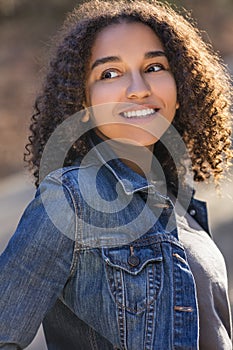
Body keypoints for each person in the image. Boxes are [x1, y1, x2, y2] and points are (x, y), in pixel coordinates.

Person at [0, 0, 232, 349]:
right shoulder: (71, 199)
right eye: (109, 74)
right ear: (82, 104)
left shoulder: (186, 209)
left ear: (180, 88)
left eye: (155, 67)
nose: (138, 88)